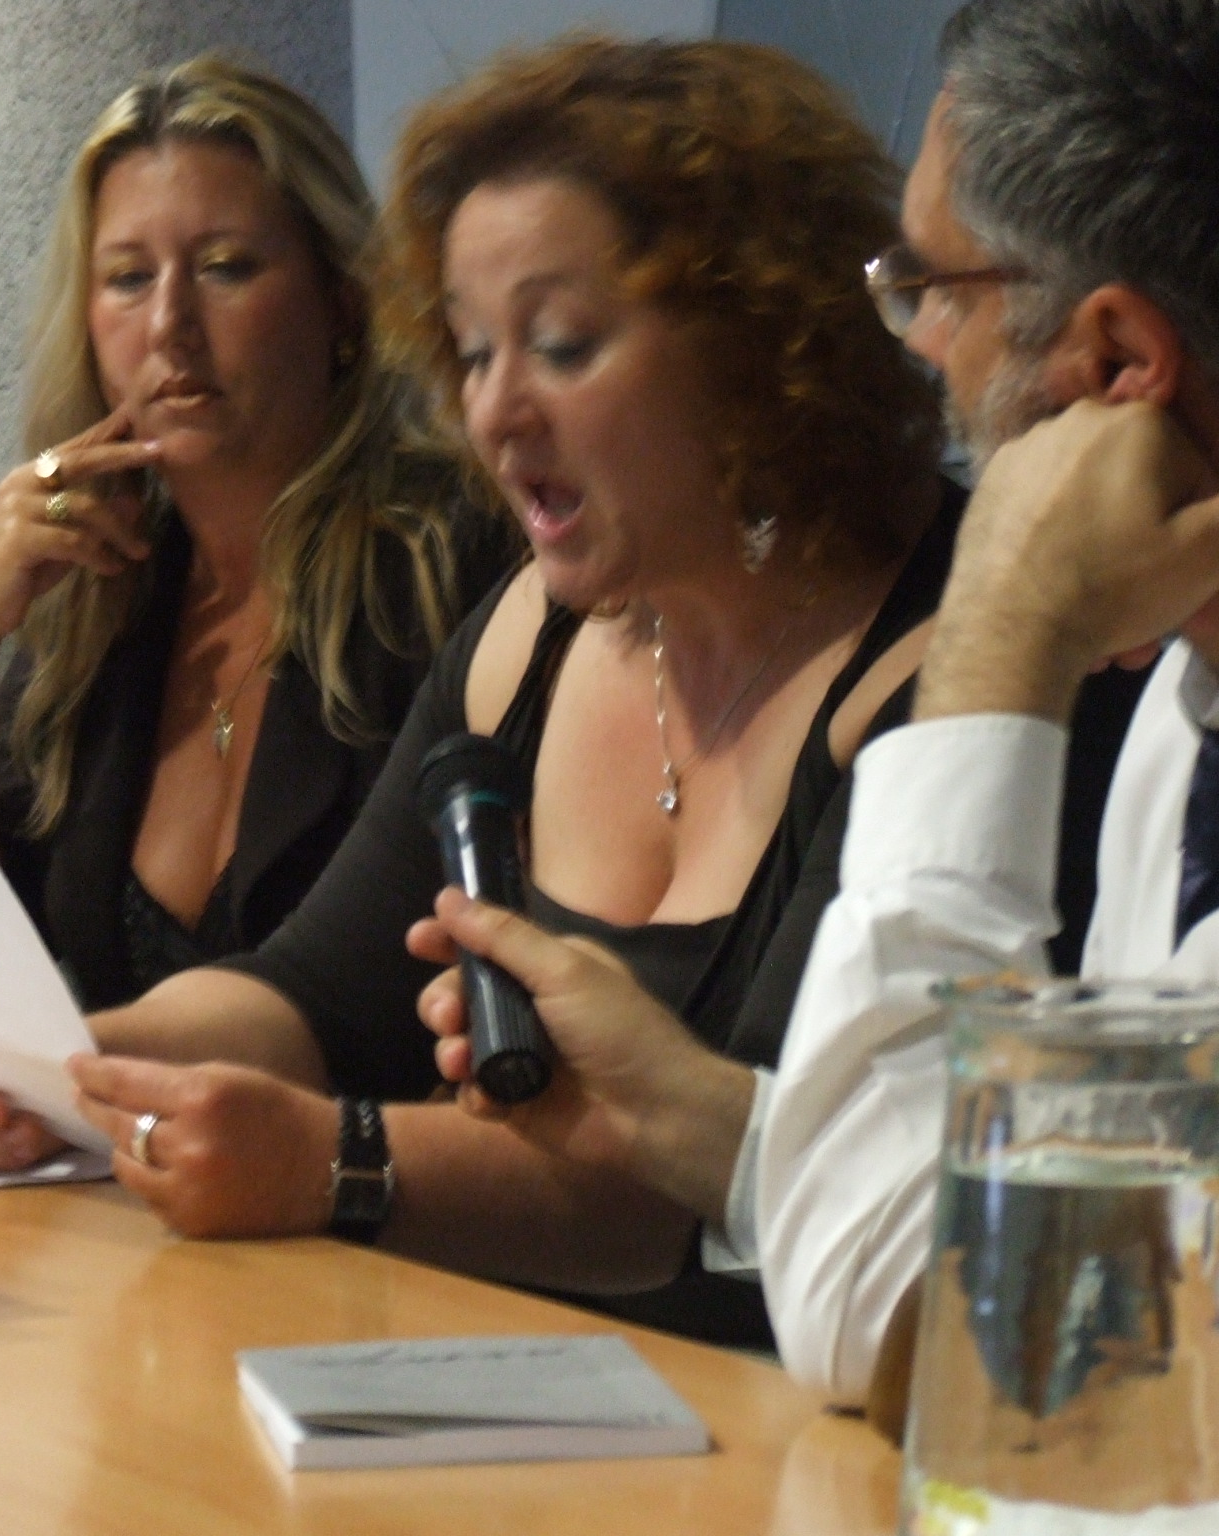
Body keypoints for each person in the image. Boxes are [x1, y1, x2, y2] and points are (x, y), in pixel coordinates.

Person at [0, 38, 968, 1349]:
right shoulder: (530, 626)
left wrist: (334, 1160)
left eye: (561, 346)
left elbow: (739, 1190)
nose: (495, 413)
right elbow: (312, 993)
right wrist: (59, 1065)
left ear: (758, 340)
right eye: (472, 354)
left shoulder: (944, 665)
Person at [419, 0, 1219, 1406]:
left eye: (936, 290)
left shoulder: (1058, 668)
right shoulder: (1182, 709)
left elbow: (930, 1320)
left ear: (1112, 364)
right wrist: (707, 1120)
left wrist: (999, 631)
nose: (916, 345)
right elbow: (1076, 1246)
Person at [0, 56, 513, 1013]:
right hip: (132, 1110)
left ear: (344, 301)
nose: (169, 324)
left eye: (225, 268)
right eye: (128, 279)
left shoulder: (451, 558)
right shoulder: (106, 587)